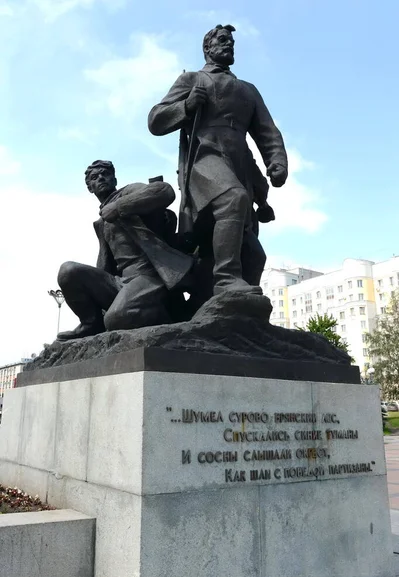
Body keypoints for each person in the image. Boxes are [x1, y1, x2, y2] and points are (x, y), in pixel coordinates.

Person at [148, 24, 288, 296]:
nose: (229, 45)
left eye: (232, 42)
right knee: (233, 199)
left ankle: (234, 307)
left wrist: (278, 162)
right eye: (223, 40)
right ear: (207, 48)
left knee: (254, 254)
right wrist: (186, 106)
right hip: (205, 157)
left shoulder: (248, 90)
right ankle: (226, 280)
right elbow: (156, 120)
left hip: (240, 165)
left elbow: (268, 131)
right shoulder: (192, 80)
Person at [56, 160, 193, 341]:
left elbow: (164, 191)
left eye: (106, 174)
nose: (101, 179)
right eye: (95, 178)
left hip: (150, 276)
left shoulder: (128, 193)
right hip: (121, 282)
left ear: (114, 179)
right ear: (90, 188)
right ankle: (91, 324)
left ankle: (172, 316)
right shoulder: (101, 221)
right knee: (68, 271)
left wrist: (120, 207)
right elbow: (105, 264)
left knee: (116, 319)